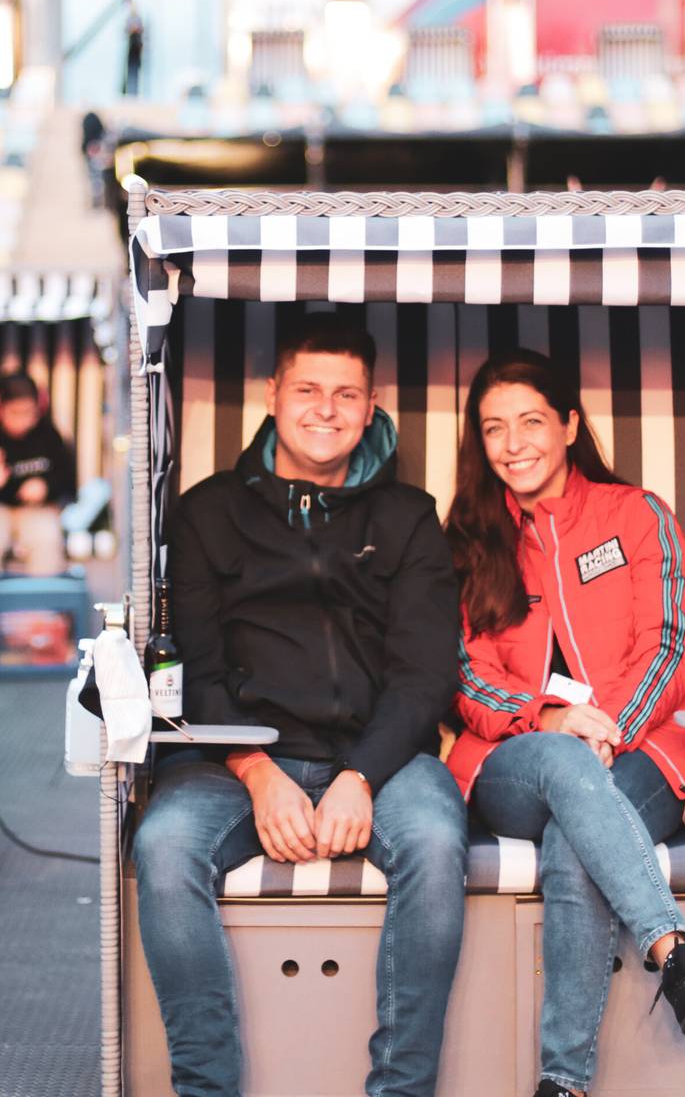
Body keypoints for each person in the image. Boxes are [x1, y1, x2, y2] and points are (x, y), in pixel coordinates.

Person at [132, 317, 468, 1097]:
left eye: (347, 394)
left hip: (380, 759)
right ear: (272, 394)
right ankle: (207, 1089)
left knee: (435, 842)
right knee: (163, 846)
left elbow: (425, 675)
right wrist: (255, 771)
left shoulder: (408, 516)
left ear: (371, 405)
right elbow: (196, 670)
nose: (326, 409)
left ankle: (402, 1090)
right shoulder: (207, 513)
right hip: (233, 761)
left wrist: (361, 775)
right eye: (308, 389)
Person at [442, 350, 685, 1097]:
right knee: (563, 765)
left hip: (645, 752)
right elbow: (464, 672)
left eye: (532, 422)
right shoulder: (469, 540)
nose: (514, 444)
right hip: (519, 759)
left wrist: (609, 730)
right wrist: (547, 718)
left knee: (574, 839)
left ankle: (563, 1083)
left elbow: (668, 645)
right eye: (494, 428)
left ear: (570, 425)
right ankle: (674, 953)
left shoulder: (636, 515)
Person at [0, 370, 77, 576]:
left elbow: (68, 483)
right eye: (15, 412)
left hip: (34, 511)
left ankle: (43, 595)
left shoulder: (49, 436)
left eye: (29, 412)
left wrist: (46, 488)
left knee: (47, 534)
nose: (23, 420)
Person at [123, 7, 145, 97]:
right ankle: (129, 93)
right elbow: (126, 30)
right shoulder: (129, 21)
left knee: (135, 73)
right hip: (132, 50)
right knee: (130, 72)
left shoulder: (139, 37)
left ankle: (134, 93)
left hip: (136, 51)